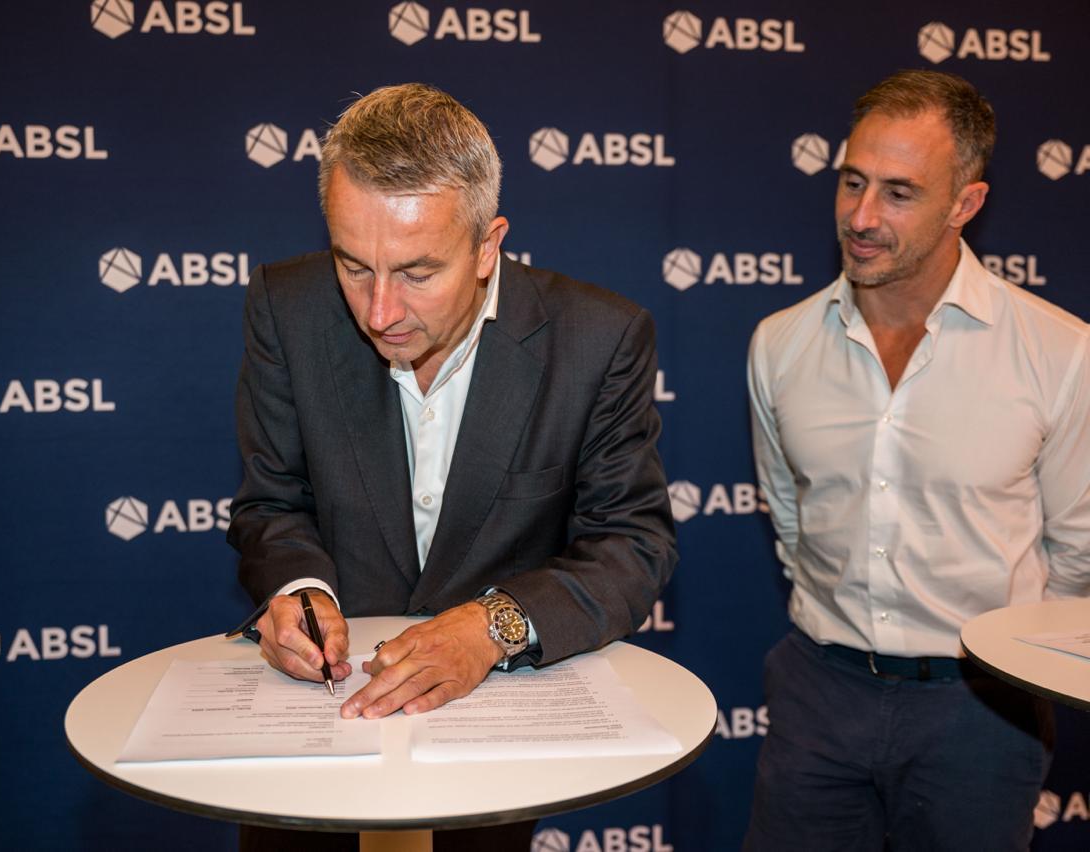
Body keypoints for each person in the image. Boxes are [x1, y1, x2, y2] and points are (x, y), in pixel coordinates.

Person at [227, 83, 676, 850]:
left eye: (416, 273)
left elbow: (632, 545)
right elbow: (272, 501)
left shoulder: (598, 338)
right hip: (317, 731)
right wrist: (300, 591)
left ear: (488, 245)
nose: (379, 312)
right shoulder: (286, 306)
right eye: (353, 265)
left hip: (487, 739)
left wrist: (494, 626)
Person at [744, 69, 1090, 850]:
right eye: (852, 181)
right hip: (817, 694)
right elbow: (792, 521)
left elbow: (1076, 557)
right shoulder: (779, 344)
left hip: (984, 713)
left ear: (965, 203)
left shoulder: (1060, 353)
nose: (862, 216)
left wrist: (1014, 665)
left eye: (899, 193)